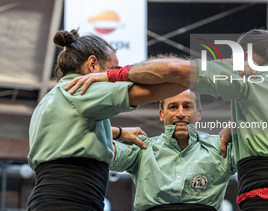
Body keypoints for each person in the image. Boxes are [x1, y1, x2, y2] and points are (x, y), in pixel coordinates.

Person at [67, 29, 268, 211]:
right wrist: (238, 125)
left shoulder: (250, 78)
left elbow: (172, 69)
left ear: (246, 56)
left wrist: (113, 75)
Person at [27, 29, 187, 211]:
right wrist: (191, 77)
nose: (115, 77)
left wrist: (118, 132)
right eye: (113, 70)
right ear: (93, 64)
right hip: (69, 201)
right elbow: (149, 92)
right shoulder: (82, 88)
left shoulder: (52, 98)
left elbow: (67, 131)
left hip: (48, 199)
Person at [110, 90, 236, 211]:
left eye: (187, 107)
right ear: (161, 114)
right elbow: (98, 149)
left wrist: (235, 125)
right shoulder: (142, 149)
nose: (180, 114)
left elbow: (254, 144)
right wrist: (117, 132)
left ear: (198, 114)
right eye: (173, 107)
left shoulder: (220, 148)